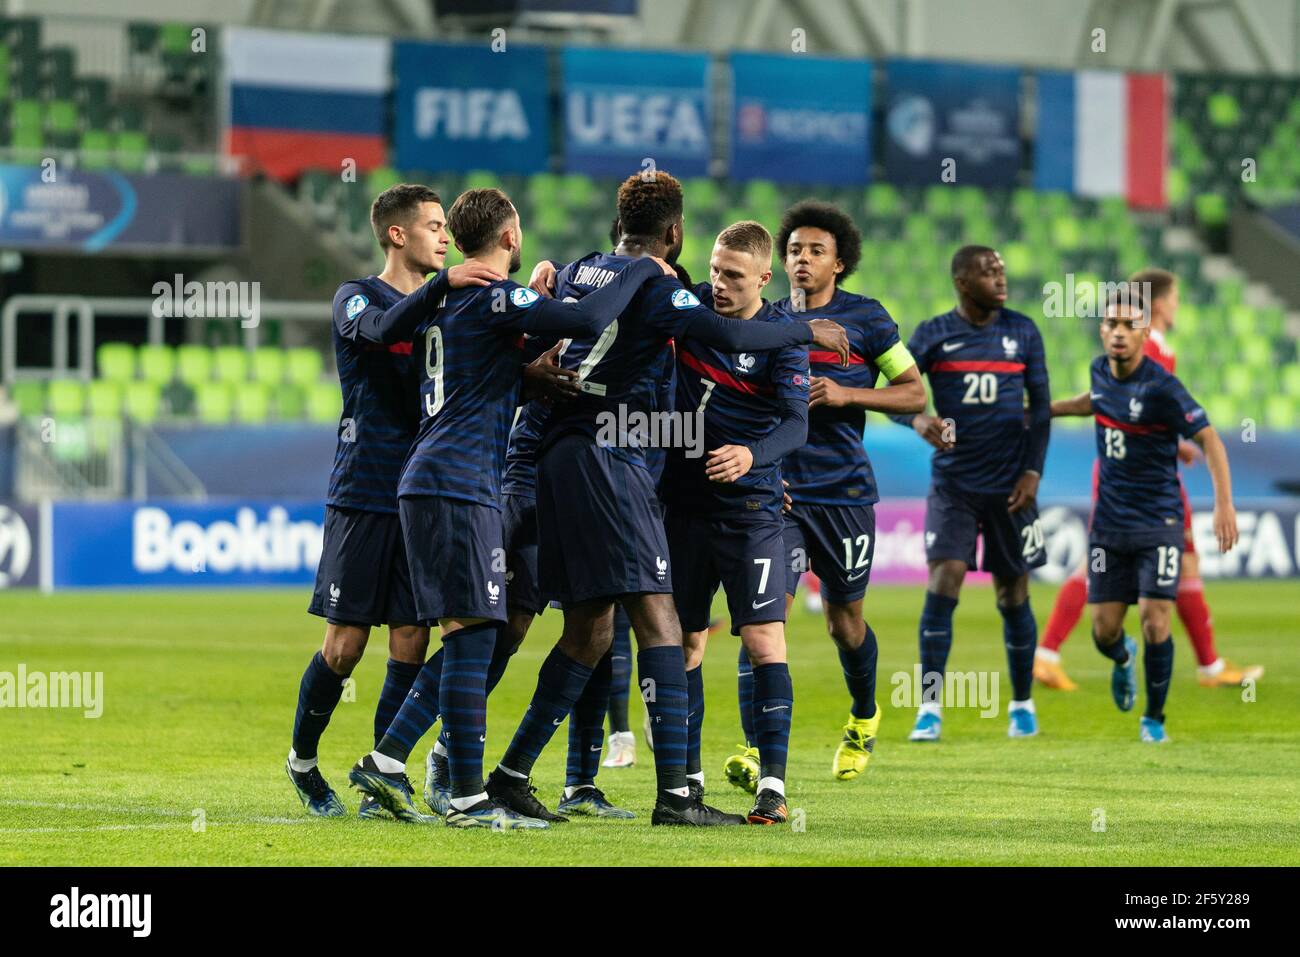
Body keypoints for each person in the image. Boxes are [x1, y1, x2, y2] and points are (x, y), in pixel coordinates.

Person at [286, 184, 497, 818]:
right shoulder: (357, 297)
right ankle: (302, 761)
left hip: (423, 494)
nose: (445, 237)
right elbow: (379, 332)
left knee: (410, 639)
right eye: (434, 226)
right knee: (345, 645)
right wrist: (444, 287)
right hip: (363, 489)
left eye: (447, 228)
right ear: (397, 234)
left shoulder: (445, 311)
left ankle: (384, 776)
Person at [1035, 268, 1262, 690]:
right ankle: (1048, 652)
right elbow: (1126, 404)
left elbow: (1142, 409)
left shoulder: (1155, 347)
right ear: (1159, 303)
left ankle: (1209, 664)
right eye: (1174, 299)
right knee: (1105, 563)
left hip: (1147, 469)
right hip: (1135, 479)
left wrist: (1176, 445)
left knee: (1184, 562)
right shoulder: (1149, 346)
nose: (1177, 307)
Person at [890, 246, 1050, 742]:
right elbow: (895, 390)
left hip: (1011, 487)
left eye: (1001, 269)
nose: (1000, 278)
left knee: (1013, 592)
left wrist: (1032, 472)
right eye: (988, 271)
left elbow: (1041, 409)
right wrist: (917, 418)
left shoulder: (1023, 331)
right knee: (945, 579)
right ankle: (930, 708)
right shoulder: (934, 335)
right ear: (963, 281)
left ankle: (1022, 705)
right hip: (954, 482)